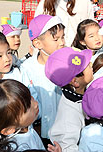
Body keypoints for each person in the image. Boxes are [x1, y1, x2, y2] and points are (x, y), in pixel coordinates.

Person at [20, 14, 65, 145]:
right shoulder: (27, 68)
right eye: (56, 39)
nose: (62, 42)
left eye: (63, 37)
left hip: (64, 131)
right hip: (39, 132)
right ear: (37, 43)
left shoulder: (68, 64)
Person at [0, 79, 47, 151]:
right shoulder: (20, 148)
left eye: (31, 98)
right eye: (27, 107)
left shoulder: (22, 126)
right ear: (9, 130)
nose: (36, 104)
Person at [45, 47, 93, 152]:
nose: (91, 64)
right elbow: (68, 148)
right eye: (87, 65)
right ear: (75, 81)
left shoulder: (78, 93)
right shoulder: (69, 117)